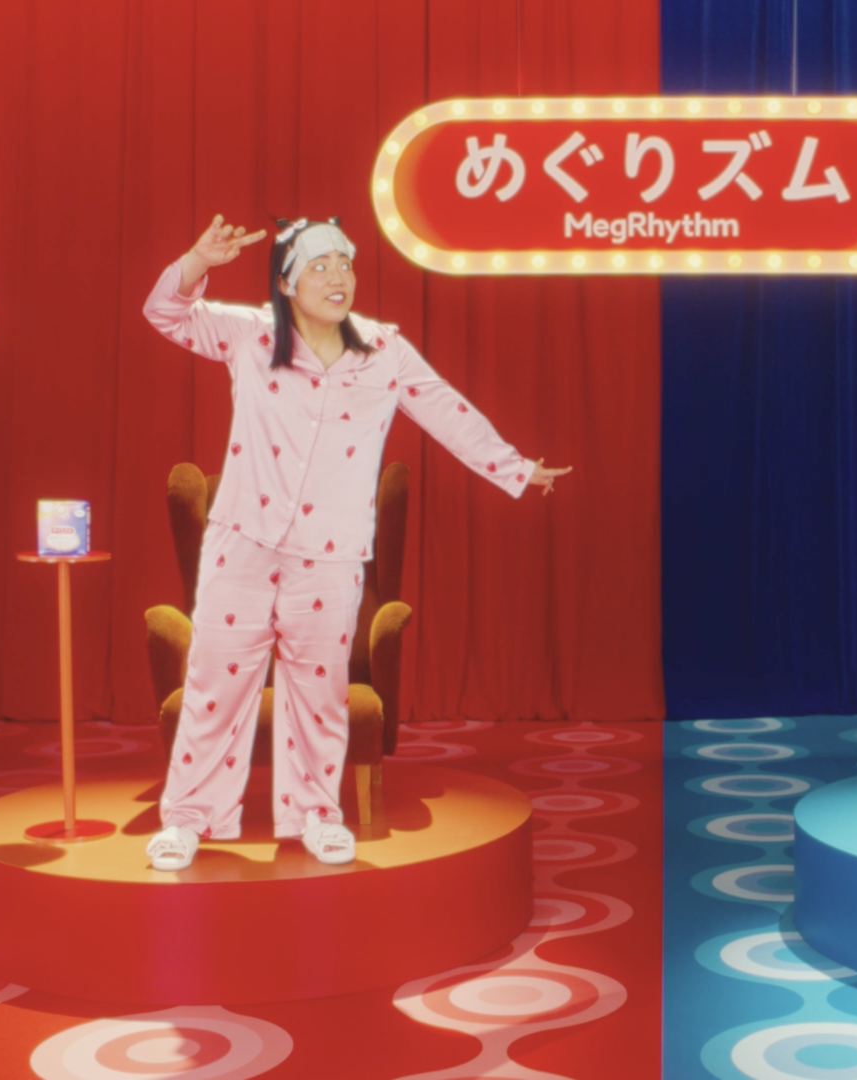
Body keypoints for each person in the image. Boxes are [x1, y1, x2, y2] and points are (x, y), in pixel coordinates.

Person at [140, 215, 571, 871]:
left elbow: (445, 408)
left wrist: (513, 467)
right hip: (244, 541)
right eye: (318, 267)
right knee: (214, 683)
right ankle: (188, 819)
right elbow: (165, 313)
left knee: (319, 693)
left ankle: (316, 815)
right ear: (286, 284)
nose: (337, 276)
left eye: (344, 263)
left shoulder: (383, 351)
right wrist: (198, 260)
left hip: (331, 550)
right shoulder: (250, 335)